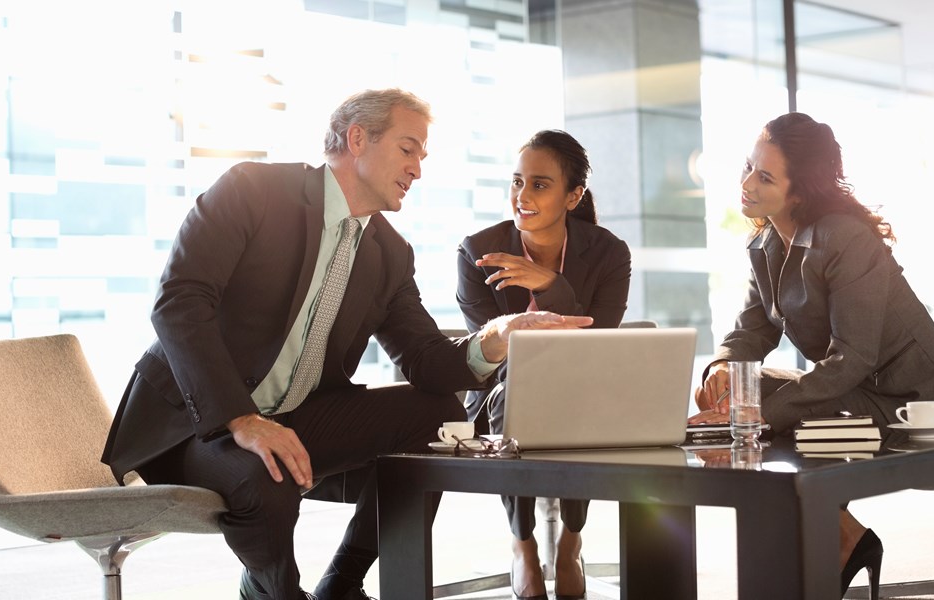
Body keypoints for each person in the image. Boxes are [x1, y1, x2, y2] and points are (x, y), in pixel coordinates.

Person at [100, 89, 593, 600]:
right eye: (408, 149)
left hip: (294, 417)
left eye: (422, 156)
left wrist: (494, 338)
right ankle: (275, 591)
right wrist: (242, 420)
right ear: (358, 138)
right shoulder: (254, 190)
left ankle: (343, 582)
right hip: (193, 425)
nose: (418, 170)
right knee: (263, 472)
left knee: (436, 414)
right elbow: (178, 301)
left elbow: (425, 360)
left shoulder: (390, 253)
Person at [687, 112, 934, 600]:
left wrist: (753, 409)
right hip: (856, 392)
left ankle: (833, 541)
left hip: (918, 404)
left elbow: (852, 358)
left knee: (764, 406)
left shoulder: (846, 238)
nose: (746, 182)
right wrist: (722, 371)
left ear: (800, 191)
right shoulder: (766, 243)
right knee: (751, 390)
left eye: (765, 175)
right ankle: (843, 537)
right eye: (748, 166)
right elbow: (749, 332)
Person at [456, 129, 632, 600]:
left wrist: (552, 285)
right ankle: (523, 543)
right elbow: (494, 353)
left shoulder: (609, 252)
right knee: (521, 384)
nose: (522, 196)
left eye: (539, 184)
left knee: (575, 386)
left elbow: (596, 340)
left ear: (573, 195)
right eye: (517, 181)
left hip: (583, 386)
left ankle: (571, 538)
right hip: (498, 392)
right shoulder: (478, 252)